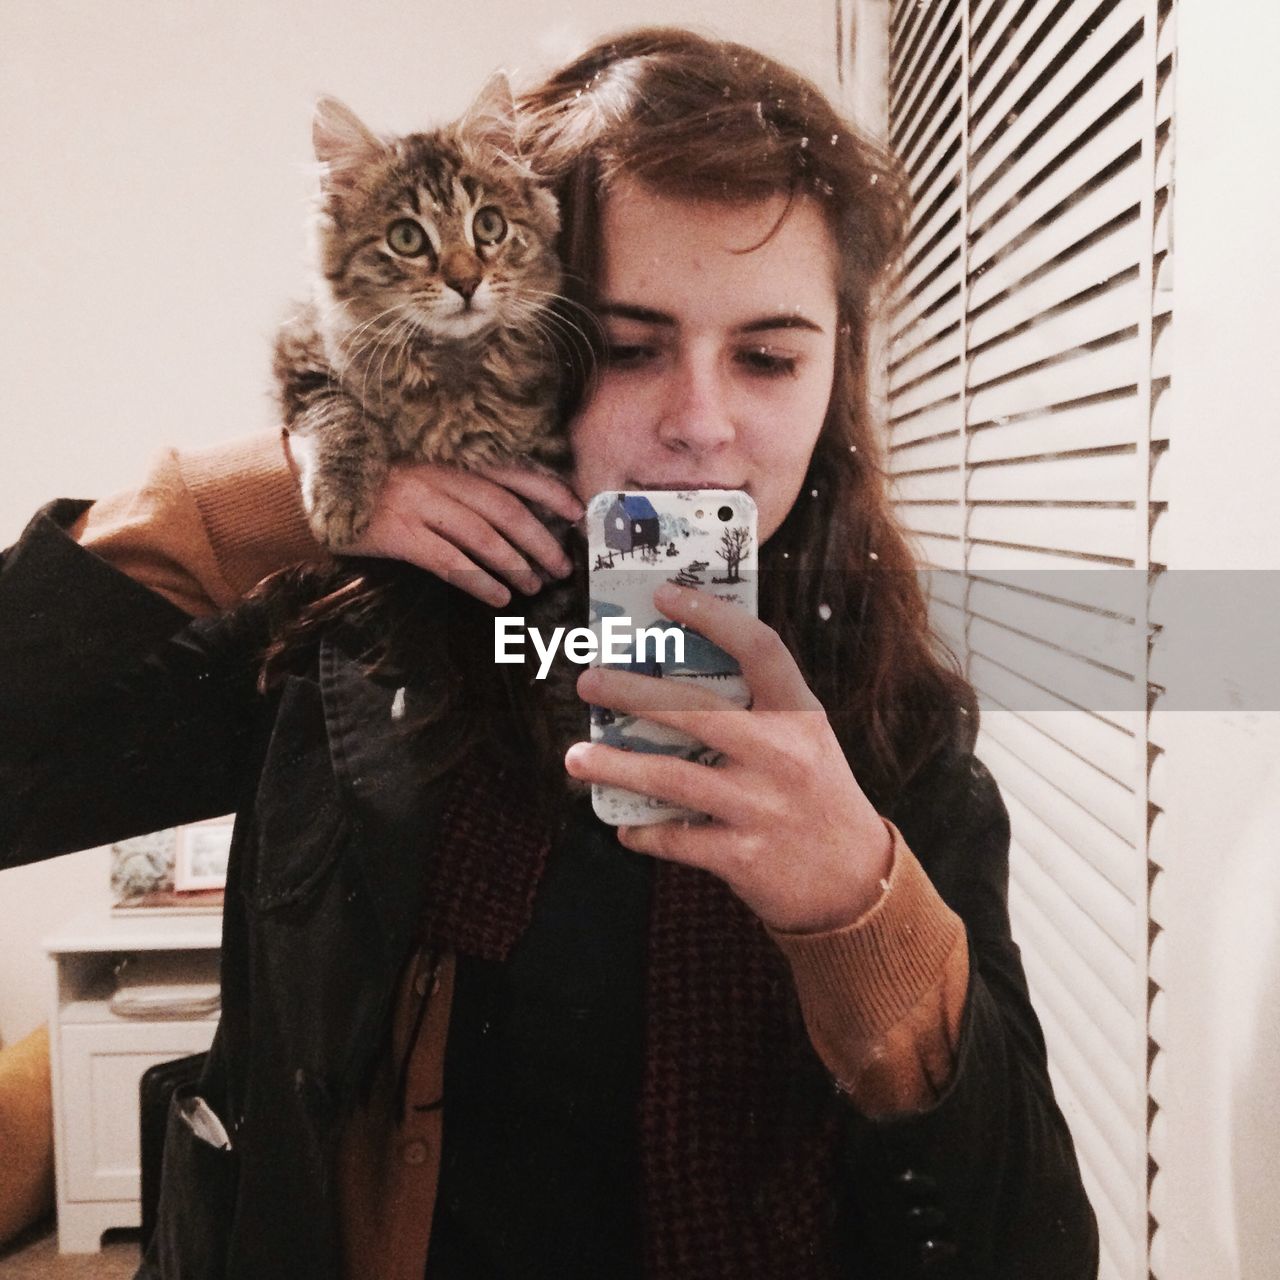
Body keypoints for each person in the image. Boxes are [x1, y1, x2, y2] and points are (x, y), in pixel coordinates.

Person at [0, 26, 1098, 1280]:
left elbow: (1030, 1249)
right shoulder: (345, 639)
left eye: (768, 355)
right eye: (628, 346)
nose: (699, 423)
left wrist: (861, 910)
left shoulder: (888, 727)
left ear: (834, 377)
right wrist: (275, 494)